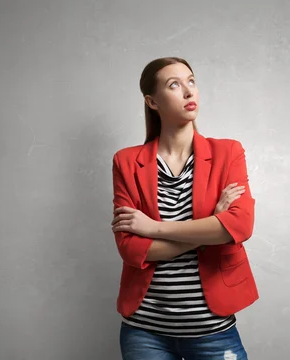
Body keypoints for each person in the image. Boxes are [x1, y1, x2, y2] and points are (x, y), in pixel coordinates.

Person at [110, 57, 258, 359]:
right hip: (144, 332)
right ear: (152, 102)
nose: (189, 91)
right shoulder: (126, 161)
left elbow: (239, 227)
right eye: (174, 85)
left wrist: (153, 228)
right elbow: (132, 249)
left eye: (191, 81)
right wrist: (212, 224)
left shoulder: (227, 152)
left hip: (213, 329)